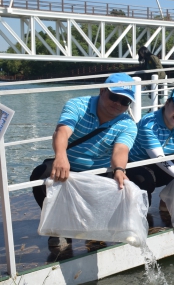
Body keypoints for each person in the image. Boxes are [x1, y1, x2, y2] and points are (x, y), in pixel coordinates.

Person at [29, 73, 153, 249]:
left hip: (100, 170)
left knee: (141, 179)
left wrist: (119, 169)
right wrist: (61, 156)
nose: (118, 104)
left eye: (125, 101)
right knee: (40, 175)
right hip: (68, 165)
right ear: (102, 90)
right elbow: (62, 131)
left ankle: (99, 228)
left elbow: (121, 149)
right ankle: (58, 228)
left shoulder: (127, 124)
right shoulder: (78, 105)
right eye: (114, 96)